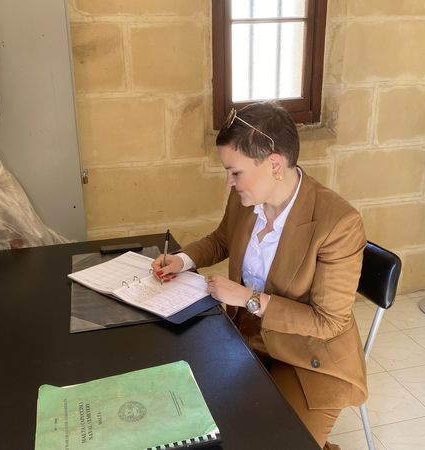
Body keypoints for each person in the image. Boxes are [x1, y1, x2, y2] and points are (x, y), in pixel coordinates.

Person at [151, 101, 367, 450]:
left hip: (308, 359)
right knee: (187, 414)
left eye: (235, 172)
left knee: (275, 442)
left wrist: (248, 299)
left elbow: (328, 322)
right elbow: (222, 240)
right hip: (246, 339)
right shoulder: (247, 199)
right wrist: (183, 260)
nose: (229, 182)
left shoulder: (338, 223)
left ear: (275, 164)